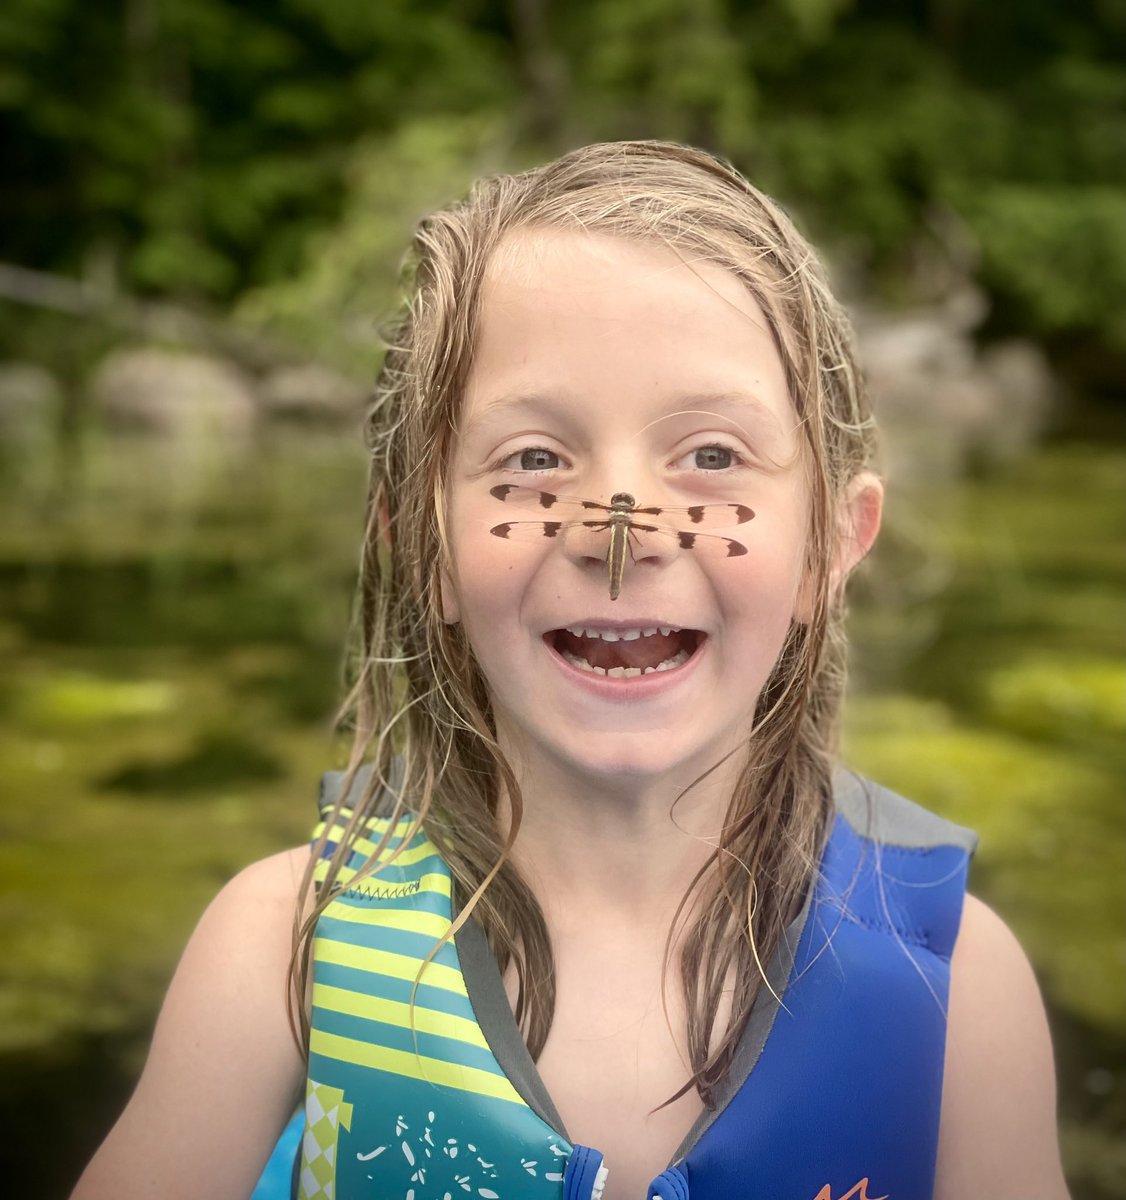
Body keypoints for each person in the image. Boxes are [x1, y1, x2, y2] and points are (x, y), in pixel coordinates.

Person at [71, 141, 1069, 1200]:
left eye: (713, 456)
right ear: (421, 546)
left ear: (830, 542)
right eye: (534, 460)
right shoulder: (279, 949)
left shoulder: (958, 990)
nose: (618, 534)